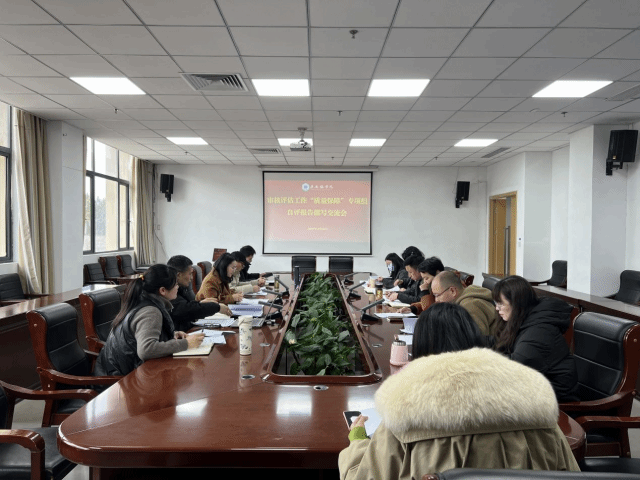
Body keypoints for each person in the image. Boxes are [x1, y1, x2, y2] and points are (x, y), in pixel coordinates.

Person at [338, 302, 580, 480]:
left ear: (420, 348)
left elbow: (360, 477)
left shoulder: (404, 408)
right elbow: (570, 473)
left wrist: (358, 441)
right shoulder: (531, 396)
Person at [94, 264, 205, 377]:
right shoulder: (150, 311)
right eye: (176, 284)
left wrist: (170, 334)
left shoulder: (143, 300)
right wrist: (186, 344)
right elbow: (146, 350)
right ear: (162, 290)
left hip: (120, 370)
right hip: (119, 380)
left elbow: (138, 335)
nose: (178, 287)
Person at [492, 275, 579, 402]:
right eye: (496, 303)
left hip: (555, 403)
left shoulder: (540, 332)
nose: (497, 308)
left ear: (516, 303)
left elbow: (514, 368)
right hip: (533, 394)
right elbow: (499, 343)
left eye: (500, 304)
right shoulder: (523, 319)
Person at [166, 255, 231, 332]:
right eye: (190, 274)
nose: (192, 278)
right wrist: (217, 307)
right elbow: (186, 310)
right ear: (178, 275)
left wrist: (200, 303)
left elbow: (186, 306)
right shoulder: (169, 291)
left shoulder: (181, 289)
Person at [430, 270, 500, 336]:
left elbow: (477, 340)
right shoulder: (466, 296)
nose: (436, 300)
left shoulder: (469, 306)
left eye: (437, 295)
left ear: (452, 291)